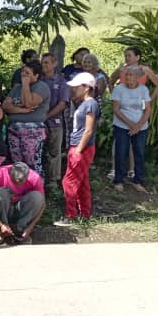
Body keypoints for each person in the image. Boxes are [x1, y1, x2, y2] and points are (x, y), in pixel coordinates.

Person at [108, 46, 158, 180]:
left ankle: (132, 170)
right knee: (119, 141)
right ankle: (114, 169)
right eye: (125, 55)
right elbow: (110, 82)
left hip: (138, 107)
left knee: (136, 142)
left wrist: (148, 100)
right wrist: (115, 97)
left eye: (129, 55)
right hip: (122, 108)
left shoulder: (145, 70)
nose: (127, 58)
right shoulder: (121, 69)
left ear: (138, 57)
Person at [56, 73, 99, 226]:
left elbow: (88, 130)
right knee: (82, 183)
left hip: (82, 148)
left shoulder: (90, 104)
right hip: (78, 146)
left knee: (69, 181)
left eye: (77, 86)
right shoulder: (83, 103)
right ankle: (85, 214)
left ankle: (70, 215)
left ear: (87, 88)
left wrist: (79, 150)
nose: (73, 89)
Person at [3, 60, 51, 179]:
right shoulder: (16, 88)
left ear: (36, 76)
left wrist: (25, 84)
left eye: (27, 73)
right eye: (22, 72)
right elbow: (5, 106)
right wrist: (21, 110)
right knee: (17, 165)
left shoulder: (41, 87)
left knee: (32, 163)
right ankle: (20, 192)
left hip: (32, 131)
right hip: (14, 130)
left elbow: (28, 103)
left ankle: (36, 192)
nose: (23, 75)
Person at [111, 66, 152, 193]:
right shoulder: (119, 89)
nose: (128, 77)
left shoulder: (143, 90)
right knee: (121, 152)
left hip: (140, 127)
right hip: (122, 125)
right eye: (127, 74)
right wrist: (131, 124)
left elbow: (147, 110)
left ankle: (138, 181)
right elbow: (116, 109)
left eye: (131, 75)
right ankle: (119, 180)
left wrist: (138, 125)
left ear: (139, 78)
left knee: (139, 152)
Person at [0, 163, 45, 244]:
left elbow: (43, 205)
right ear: (10, 173)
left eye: (22, 181)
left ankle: (19, 230)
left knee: (38, 197)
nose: (19, 184)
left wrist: (30, 227)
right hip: (2, 211)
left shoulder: (35, 177)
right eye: (16, 181)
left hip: (20, 210)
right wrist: (1, 224)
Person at [41, 53, 70, 186]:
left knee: (54, 151)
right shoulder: (38, 80)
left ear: (54, 64)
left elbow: (63, 104)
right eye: (43, 62)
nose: (44, 65)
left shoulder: (61, 82)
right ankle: (39, 178)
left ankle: (53, 180)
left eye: (47, 62)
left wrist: (46, 116)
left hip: (54, 122)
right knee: (40, 150)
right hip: (38, 122)